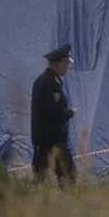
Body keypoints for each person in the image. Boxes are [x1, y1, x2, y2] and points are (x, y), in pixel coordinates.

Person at [31, 44, 77, 184]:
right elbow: (52, 112)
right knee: (68, 175)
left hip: (45, 139)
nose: (67, 67)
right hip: (51, 140)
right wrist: (69, 113)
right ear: (58, 63)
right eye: (66, 63)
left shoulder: (46, 81)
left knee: (41, 177)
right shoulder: (49, 83)